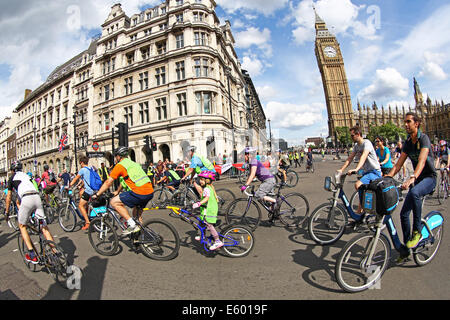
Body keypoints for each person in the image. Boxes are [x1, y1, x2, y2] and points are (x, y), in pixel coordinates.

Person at [386, 112, 437, 261]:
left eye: (408, 122)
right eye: (405, 122)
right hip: (418, 179)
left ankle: (417, 232)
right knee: (403, 214)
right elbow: (398, 164)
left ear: (417, 123)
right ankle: (407, 248)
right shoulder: (408, 142)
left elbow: (421, 161)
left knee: (414, 192)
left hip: (428, 178)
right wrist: (386, 177)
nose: (406, 125)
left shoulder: (424, 138)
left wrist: (412, 177)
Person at [92, 147, 154, 235]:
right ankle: (139, 237)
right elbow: (125, 180)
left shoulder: (120, 165)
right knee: (136, 215)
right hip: (150, 192)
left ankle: (132, 225)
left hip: (139, 192)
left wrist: (98, 194)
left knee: (114, 202)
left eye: (115, 156)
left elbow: (108, 182)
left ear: (118, 157)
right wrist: (117, 191)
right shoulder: (133, 163)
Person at [5, 161, 55, 264]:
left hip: (26, 198)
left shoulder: (12, 178)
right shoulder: (27, 176)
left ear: (12, 170)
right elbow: (34, 188)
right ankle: (55, 251)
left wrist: (6, 212)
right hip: (36, 197)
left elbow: (9, 197)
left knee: (22, 226)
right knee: (44, 228)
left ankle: (32, 254)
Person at [337, 126, 382, 215]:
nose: (351, 137)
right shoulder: (356, 146)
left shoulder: (367, 143)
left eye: (352, 135)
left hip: (374, 171)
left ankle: (365, 208)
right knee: (362, 190)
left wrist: (356, 169)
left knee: (358, 185)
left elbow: (364, 156)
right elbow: (350, 158)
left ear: (358, 134)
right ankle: (360, 212)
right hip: (366, 172)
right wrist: (341, 169)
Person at [240, 147, 280, 220]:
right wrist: (247, 183)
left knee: (258, 195)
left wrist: (246, 185)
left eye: (244, 155)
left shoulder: (253, 161)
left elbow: (252, 174)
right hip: (267, 180)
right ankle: (275, 213)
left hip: (268, 180)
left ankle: (276, 202)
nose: (243, 157)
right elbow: (252, 175)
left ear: (249, 155)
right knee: (265, 199)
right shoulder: (251, 162)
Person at [191, 171, 223, 250]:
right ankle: (203, 235)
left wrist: (199, 203)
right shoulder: (209, 187)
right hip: (207, 208)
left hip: (209, 209)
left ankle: (217, 240)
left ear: (207, 180)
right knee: (201, 221)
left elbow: (206, 198)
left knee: (209, 224)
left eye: (202, 179)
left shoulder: (206, 189)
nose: (200, 181)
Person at [68, 156, 97, 230]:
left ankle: (87, 222)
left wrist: (70, 185)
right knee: (86, 203)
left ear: (82, 162)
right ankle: (88, 216)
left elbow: (75, 178)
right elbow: (85, 180)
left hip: (89, 191)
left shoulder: (82, 170)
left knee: (80, 205)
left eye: (80, 163)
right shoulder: (91, 168)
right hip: (95, 189)